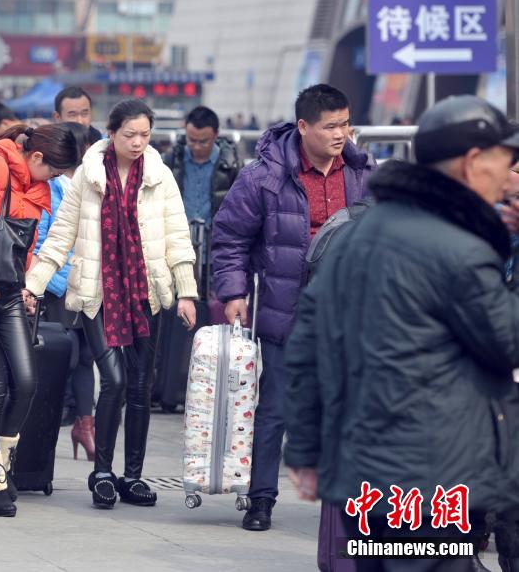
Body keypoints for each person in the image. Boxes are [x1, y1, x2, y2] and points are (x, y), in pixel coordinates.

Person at [284, 96, 519, 572]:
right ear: (473, 162)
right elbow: (507, 340)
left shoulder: (358, 231)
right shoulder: (458, 250)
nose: (510, 173)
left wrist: (305, 449)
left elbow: (309, 343)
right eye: (505, 160)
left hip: (363, 473)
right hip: (432, 474)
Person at [211, 83, 376, 532]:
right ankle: (261, 498)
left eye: (345, 124)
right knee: (276, 408)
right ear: (303, 127)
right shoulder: (264, 176)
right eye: (330, 126)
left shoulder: (363, 173)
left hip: (349, 313)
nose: (341, 134)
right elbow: (230, 239)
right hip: (287, 308)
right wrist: (233, 293)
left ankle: (354, 509)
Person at [25, 99, 198, 509]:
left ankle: (132, 477)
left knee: (139, 386)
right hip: (98, 291)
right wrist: (33, 285)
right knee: (115, 380)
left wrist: (186, 291)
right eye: (129, 135)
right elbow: (60, 236)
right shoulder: (87, 174)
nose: (138, 143)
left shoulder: (160, 176)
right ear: (111, 133)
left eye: (145, 135)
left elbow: (177, 236)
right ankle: (101, 470)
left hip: (145, 291)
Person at [0, 122, 79, 517]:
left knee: (25, 382)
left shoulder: (36, 185)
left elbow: (27, 240)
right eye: (54, 171)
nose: (55, 179)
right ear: (36, 157)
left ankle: (1, 465)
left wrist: (30, 281)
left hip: (8, 294)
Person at [33, 122, 97, 455]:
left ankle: (86, 426)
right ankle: (39, 432)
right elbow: (39, 241)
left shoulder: (98, 186)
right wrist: (59, 283)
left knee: (86, 358)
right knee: (62, 360)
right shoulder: (51, 186)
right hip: (59, 288)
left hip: (90, 286)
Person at [162, 106, 242, 297]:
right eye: (191, 140)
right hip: (177, 251)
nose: (196, 146)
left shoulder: (231, 165)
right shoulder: (172, 161)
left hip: (216, 251)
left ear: (216, 135)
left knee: (213, 310)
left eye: (203, 141)